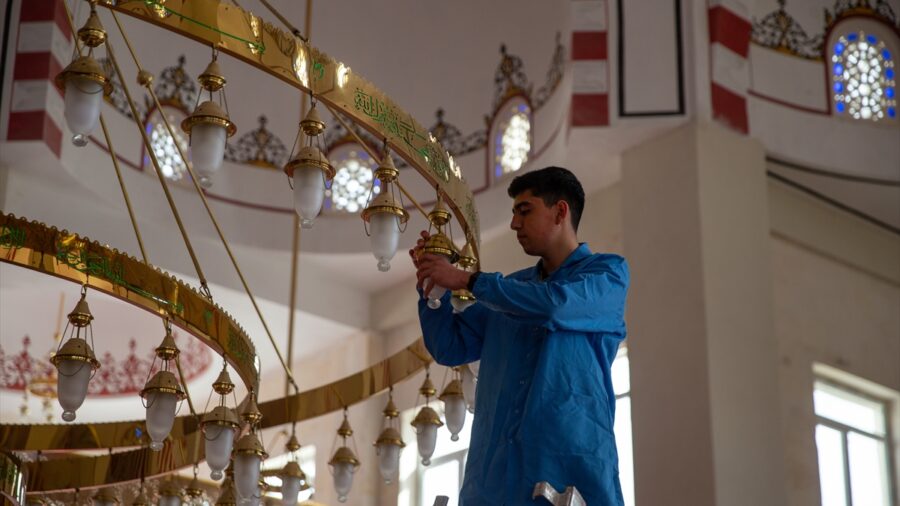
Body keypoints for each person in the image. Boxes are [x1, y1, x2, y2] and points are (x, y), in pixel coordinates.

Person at [410, 166, 629, 506]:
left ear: (560, 212)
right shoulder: (509, 290)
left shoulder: (607, 274)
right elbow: (449, 347)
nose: (514, 224)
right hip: (494, 483)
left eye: (525, 211)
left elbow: (556, 306)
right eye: (514, 213)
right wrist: (432, 286)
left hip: (569, 474)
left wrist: (468, 280)